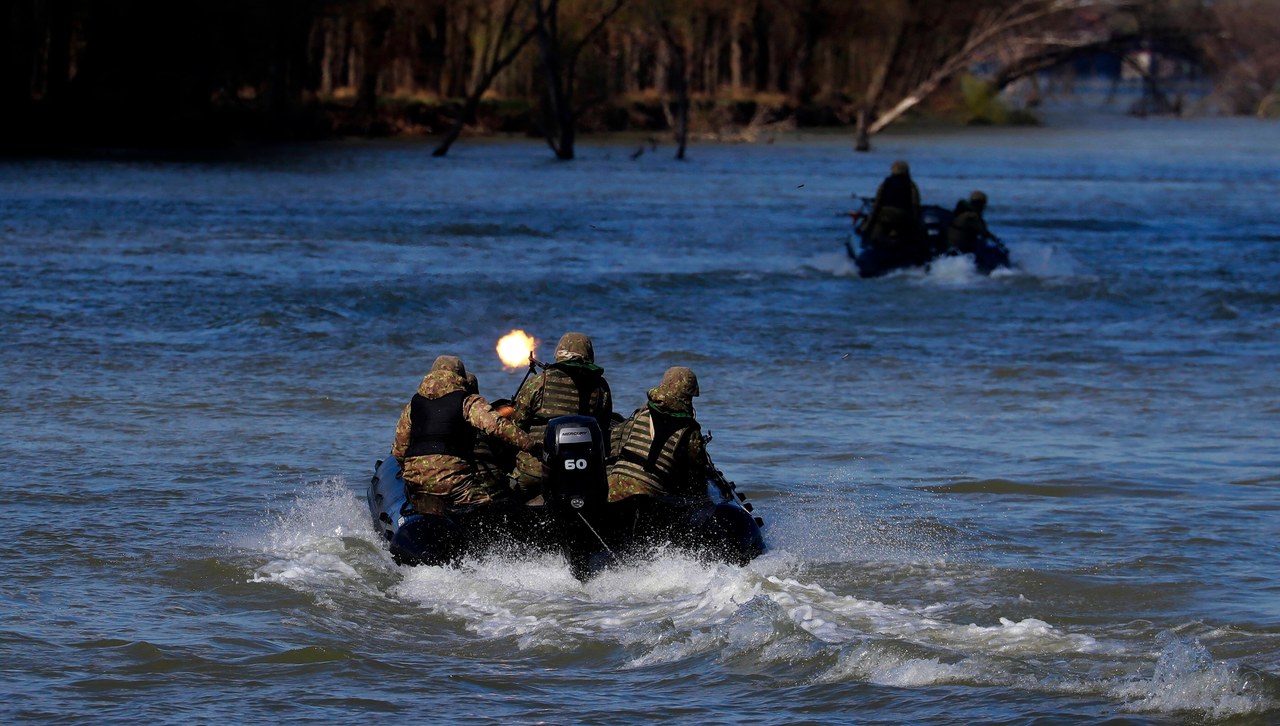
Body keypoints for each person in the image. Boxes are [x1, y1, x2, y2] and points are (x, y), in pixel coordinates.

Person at [392, 355, 538, 514]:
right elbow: (498, 426)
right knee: (496, 508)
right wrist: (532, 445)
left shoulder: (413, 405)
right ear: (459, 376)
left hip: (416, 482)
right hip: (454, 482)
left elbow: (399, 450)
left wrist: (416, 473)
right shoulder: (467, 401)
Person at [509, 332, 613, 496]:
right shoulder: (601, 387)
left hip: (536, 472)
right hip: (581, 474)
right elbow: (604, 428)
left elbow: (516, 426)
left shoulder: (538, 382)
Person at [606, 366, 709, 504]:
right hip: (647, 494)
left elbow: (619, 438)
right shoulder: (690, 431)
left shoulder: (642, 412)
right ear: (689, 395)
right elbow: (697, 475)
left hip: (612, 486)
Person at [861, 159, 921, 249]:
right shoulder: (911, 185)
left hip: (885, 215)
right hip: (903, 217)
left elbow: (877, 203)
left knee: (874, 236)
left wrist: (869, 226)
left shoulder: (886, 183)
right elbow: (915, 204)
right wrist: (915, 223)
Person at [947, 190, 992, 254]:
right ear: (981, 203)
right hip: (962, 247)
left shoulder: (960, 212)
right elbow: (984, 233)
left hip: (952, 245)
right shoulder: (972, 216)